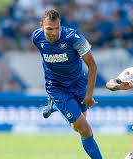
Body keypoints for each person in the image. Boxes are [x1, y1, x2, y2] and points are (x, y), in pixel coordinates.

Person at [31, 9, 102, 159]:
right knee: (85, 129)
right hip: (56, 87)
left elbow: (93, 66)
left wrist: (89, 95)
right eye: (49, 29)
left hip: (78, 84)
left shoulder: (73, 37)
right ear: (41, 26)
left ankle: (55, 106)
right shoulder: (36, 37)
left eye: (57, 28)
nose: (54, 33)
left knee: (77, 127)